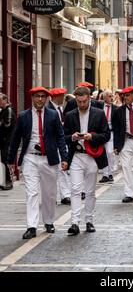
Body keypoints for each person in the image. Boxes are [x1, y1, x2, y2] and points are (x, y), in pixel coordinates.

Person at [7, 87, 68, 239]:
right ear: (32, 98)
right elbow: (15, 139)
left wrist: (65, 158)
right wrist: (11, 160)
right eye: (37, 96)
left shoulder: (53, 115)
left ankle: (48, 221)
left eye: (43, 96)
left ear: (47, 98)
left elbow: (60, 137)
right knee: (32, 192)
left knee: (49, 193)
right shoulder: (24, 116)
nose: (40, 99)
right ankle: (32, 226)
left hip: (49, 158)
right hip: (30, 158)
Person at [64, 86, 110, 235]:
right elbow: (63, 137)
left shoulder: (99, 113)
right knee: (76, 189)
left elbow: (106, 135)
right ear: (76, 99)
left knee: (90, 191)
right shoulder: (70, 115)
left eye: (84, 101)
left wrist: (93, 137)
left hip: (93, 156)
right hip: (77, 155)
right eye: (79, 102)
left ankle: (89, 221)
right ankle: (74, 223)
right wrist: (73, 137)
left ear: (89, 98)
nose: (82, 104)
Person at [48, 88, 71, 205]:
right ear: (56, 97)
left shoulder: (59, 109)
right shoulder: (50, 109)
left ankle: (65, 194)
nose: (63, 98)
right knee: (53, 171)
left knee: (63, 169)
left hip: (61, 142)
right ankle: (56, 195)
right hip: (53, 144)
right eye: (62, 96)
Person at [99, 89, 117, 183]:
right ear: (105, 97)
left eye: (112, 96)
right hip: (101, 133)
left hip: (111, 133)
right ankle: (105, 174)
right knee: (102, 153)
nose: (111, 98)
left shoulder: (115, 108)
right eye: (109, 96)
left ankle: (110, 173)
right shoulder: (99, 106)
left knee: (110, 153)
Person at [0, 94, 16, 190]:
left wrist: (1, 122)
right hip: (3, 140)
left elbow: (7, 124)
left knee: (7, 160)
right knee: (4, 161)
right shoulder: (3, 110)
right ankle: (4, 180)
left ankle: (9, 182)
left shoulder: (9, 110)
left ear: (5, 100)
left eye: (0, 100)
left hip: (8, 140)